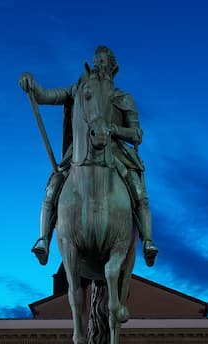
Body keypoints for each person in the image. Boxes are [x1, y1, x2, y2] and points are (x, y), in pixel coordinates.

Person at [20, 46, 158, 267]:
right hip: (81, 151)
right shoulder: (79, 90)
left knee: (137, 189)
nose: (98, 66)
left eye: (103, 62)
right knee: (54, 183)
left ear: (113, 68)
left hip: (115, 152)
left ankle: (147, 241)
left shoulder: (123, 98)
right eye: (95, 61)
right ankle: (43, 239)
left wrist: (114, 130)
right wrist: (33, 86)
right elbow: (47, 96)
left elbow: (136, 135)